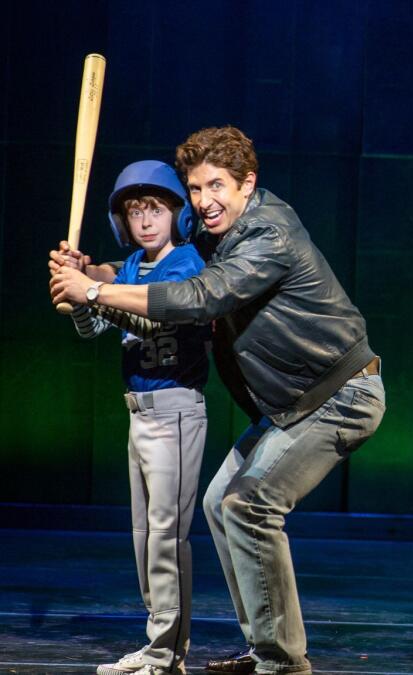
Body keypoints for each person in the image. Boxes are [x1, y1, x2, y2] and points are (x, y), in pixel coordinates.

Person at [51, 126, 386, 675]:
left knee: (248, 505)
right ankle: (265, 649)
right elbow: (160, 262)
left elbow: (201, 294)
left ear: (247, 183)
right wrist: (89, 270)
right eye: (195, 188)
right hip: (292, 406)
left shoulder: (268, 235)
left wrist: (93, 292)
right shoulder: (218, 233)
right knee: (219, 502)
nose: (204, 201)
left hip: (340, 396)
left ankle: (283, 663)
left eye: (216, 186)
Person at [50, 161, 209, 675]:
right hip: (139, 415)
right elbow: (90, 328)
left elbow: (151, 314)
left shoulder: (185, 263)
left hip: (176, 410)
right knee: (144, 537)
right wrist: (75, 292)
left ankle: (166, 655)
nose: (145, 221)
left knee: (166, 537)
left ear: (177, 214)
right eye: (134, 212)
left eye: (156, 209)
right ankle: (156, 644)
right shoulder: (131, 268)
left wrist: (90, 288)